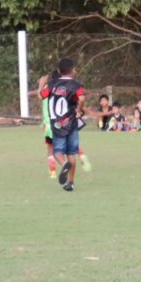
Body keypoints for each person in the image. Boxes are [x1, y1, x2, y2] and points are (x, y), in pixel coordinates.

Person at [40, 57, 86, 192]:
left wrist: (41, 84)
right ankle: (71, 183)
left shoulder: (52, 84)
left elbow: (41, 96)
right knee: (71, 153)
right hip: (71, 122)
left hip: (57, 124)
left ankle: (64, 163)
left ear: (59, 71)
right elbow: (82, 98)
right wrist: (78, 110)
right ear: (72, 71)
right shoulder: (77, 85)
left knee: (57, 152)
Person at [36, 71, 59, 179]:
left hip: (49, 124)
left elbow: (40, 96)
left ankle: (53, 171)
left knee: (50, 148)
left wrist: (41, 84)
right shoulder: (63, 89)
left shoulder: (48, 89)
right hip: (61, 122)